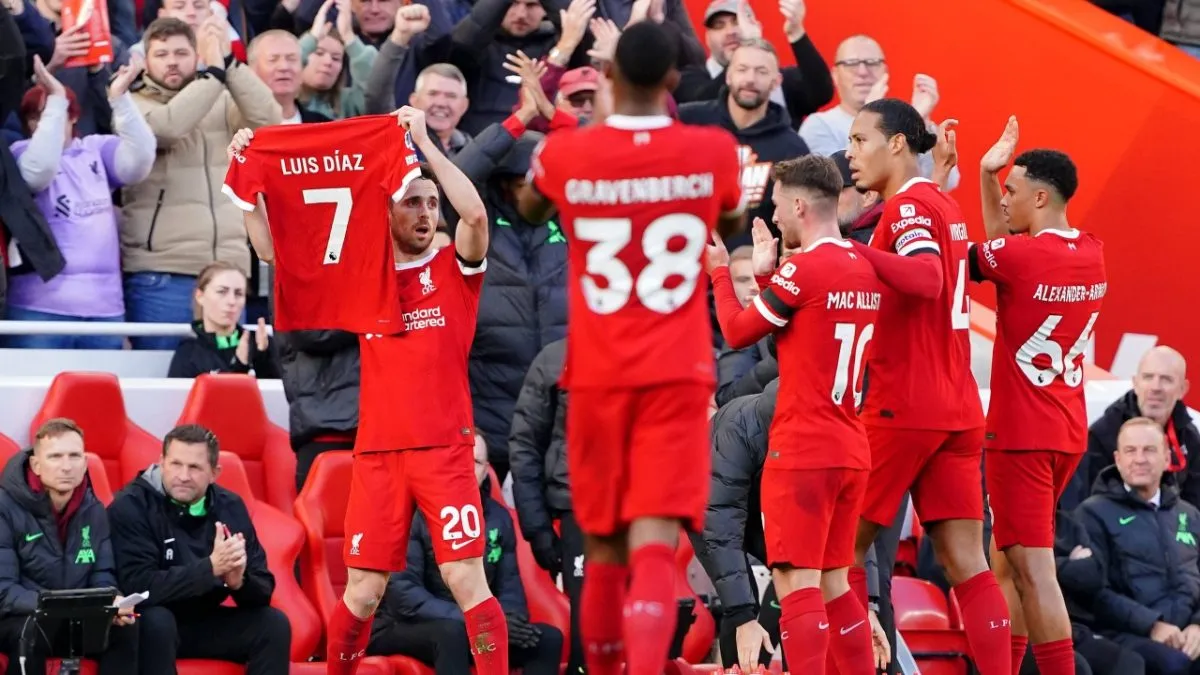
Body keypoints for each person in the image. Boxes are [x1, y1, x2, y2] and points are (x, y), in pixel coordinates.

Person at [224, 106, 502, 675]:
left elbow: (473, 214)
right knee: (363, 591)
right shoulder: (360, 271)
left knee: (463, 576)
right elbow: (273, 251)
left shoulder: (454, 271)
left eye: (431, 204)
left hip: (443, 448)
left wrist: (424, 146)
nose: (426, 213)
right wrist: (248, 176)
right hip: (377, 452)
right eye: (412, 202)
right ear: (385, 208)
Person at [516, 20, 745, 675]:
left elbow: (530, 208)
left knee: (603, 553)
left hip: (597, 373)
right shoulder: (711, 149)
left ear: (610, 76)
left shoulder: (570, 154)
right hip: (677, 371)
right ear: (674, 79)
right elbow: (730, 218)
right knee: (653, 546)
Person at [843, 98, 1011, 675]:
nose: (850, 153)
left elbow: (926, 275)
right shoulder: (940, 200)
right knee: (968, 564)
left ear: (896, 144)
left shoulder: (909, 207)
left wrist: (851, 253)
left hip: (903, 405)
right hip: (957, 406)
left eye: (860, 140)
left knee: (838, 554)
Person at [705, 154, 881, 674]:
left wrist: (720, 274)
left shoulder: (806, 268)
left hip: (803, 448)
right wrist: (766, 277)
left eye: (779, 205)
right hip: (850, 446)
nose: (775, 217)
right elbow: (802, 338)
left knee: (796, 585)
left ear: (801, 205)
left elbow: (737, 333)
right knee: (834, 582)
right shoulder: (863, 265)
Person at [969, 115, 1108, 675]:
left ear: (1042, 197)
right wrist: (989, 176)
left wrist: (980, 174)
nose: (1004, 199)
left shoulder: (1022, 258)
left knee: (1034, 570)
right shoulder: (1092, 250)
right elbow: (1003, 254)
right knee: (1009, 562)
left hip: (1020, 435)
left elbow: (984, 258)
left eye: (1011, 190)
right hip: (1065, 429)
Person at [368, 433, 564, 675]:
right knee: (452, 633)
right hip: (401, 625)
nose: (467, 469)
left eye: (476, 462)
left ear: (486, 471)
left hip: (472, 626)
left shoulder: (498, 518)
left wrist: (505, 621)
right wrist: (478, 619)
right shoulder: (410, 511)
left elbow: (510, 588)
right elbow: (404, 597)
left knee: (546, 640)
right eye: (459, 459)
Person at [108, 424, 291, 674]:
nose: (183, 476)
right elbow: (137, 585)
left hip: (203, 622)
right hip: (151, 625)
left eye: (194, 467)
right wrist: (210, 569)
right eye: (175, 464)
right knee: (157, 621)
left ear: (214, 473)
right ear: (161, 462)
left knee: (273, 624)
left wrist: (239, 583)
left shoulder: (230, 506)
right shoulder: (131, 506)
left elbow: (263, 589)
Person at [0, 419, 139, 675]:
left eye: (74, 456)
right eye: (55, 457)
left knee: (127, 629)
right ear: (36, 465)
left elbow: (102, 576)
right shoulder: (4, 508)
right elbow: (4, 592)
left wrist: (111, 603)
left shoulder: (94, 510)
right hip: (19, 618)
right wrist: (57, 608)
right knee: (30, 631)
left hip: (74, 618)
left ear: (85, 463)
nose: (66, 467)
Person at [1077, 418, 1200, 675]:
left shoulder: (1189, 514)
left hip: (1189, 632)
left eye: (1149, 450)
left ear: (1166, 458)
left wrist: (1198, 625)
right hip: (1128, 634)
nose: (1139, 459)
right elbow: (1095, 591)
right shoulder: (1092, 513)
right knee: (1174, 665)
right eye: (1130, 451)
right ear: (1118, 459)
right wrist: (1152, 625)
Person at [168, 261, 279, 378]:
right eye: (222, 292)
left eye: (239, 293)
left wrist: (262, 358)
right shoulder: (189, 351)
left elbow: (283, 388)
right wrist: (240, 366)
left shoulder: (261, 343)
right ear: (200, 296)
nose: (232, 301)